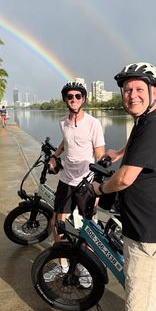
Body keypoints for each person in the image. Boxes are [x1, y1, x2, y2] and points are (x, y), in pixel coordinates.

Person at [92, 62, 156, 311]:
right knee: (154, 298)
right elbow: (134, 145)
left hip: (148, 237)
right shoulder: (147, 122)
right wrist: (117, 153)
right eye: (127, 89)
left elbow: (126, 178)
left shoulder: (154, 127)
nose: (131, 95)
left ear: (154, 92)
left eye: (139, 89)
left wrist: (99, 189)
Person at [45, 81, 105, 281]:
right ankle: (63, 265)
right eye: (70, 96)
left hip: (85, 184)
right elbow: (65, 141)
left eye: (78, 96)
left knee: (89, 228)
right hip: (66, 180)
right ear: (65, 99)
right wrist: (54, 155)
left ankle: (86, 269)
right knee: (57, 222)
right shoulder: (63, 122)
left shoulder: (93, 124)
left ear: (84, 99)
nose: (74, 99)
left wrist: (97, 189)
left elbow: (100, 156)